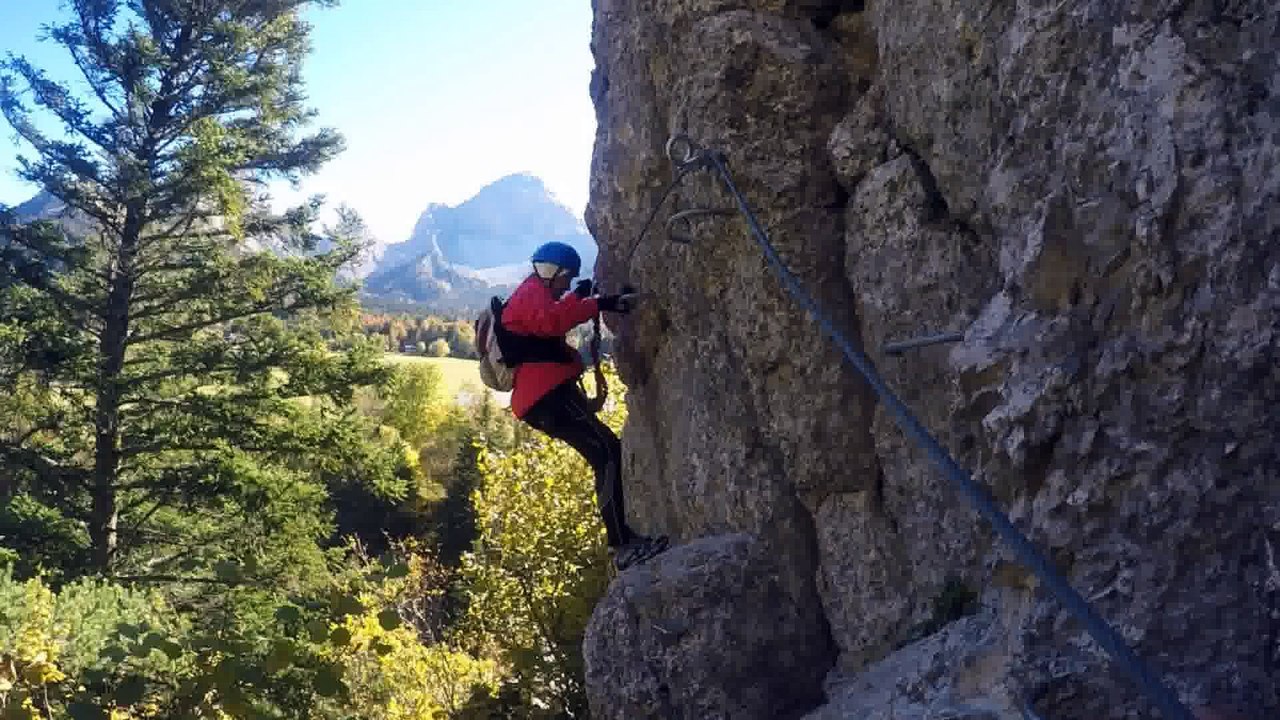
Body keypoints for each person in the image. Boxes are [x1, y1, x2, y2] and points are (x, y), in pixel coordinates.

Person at [499, 241, 667, 572]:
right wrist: (599, 303)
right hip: (548, 396)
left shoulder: (534, 292)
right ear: (553, 272)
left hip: (545, 397)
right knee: (606, 451)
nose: (566, 285)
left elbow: (551, 317)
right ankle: (622, 545)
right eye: (566, 278)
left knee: (604, 451)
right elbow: (553, 321)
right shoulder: (531, 292)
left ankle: (622, 541)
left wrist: (586, 297)